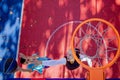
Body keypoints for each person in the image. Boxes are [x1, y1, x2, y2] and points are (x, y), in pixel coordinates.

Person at [19, 48, 92, 74]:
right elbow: (53, 62)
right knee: (40, 61)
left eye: (69, 54)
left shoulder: (79, 57)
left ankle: (41, 61)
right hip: (45, 64)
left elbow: (88, 59)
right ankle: (41, 62)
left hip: (44, 60)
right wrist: (20, 69)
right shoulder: (65, 60)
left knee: (36, 59)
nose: (67, 55)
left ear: (74, 55)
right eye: (68, 54)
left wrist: (91, 67)